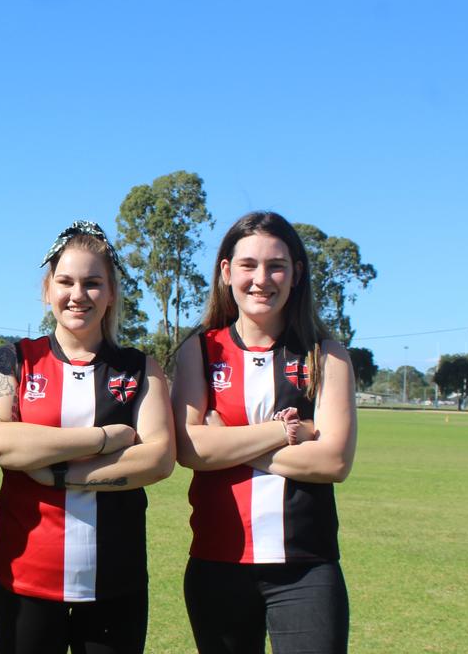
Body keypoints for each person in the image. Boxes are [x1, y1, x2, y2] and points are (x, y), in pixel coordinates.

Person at [0, 221, 175, 654]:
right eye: (65, 281)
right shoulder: (12, 359)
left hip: (115, 581)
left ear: (111, 292)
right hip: (26, 575)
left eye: (92, 283)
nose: (78, 294)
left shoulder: (141, 368)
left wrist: (59, 474)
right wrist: (104, 438)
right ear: (48, 288)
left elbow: (159, 458)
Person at [172, 211, 358, 654]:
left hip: (306, 568)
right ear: (226, 272)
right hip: (218, 563)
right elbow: (189, 448)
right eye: (248, 265)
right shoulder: (199, 350)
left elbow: (333, 461)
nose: (262, 278)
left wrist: (230, 440)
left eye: (276, 265)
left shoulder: (325, 355)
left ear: (296, 273)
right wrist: (285, 433)